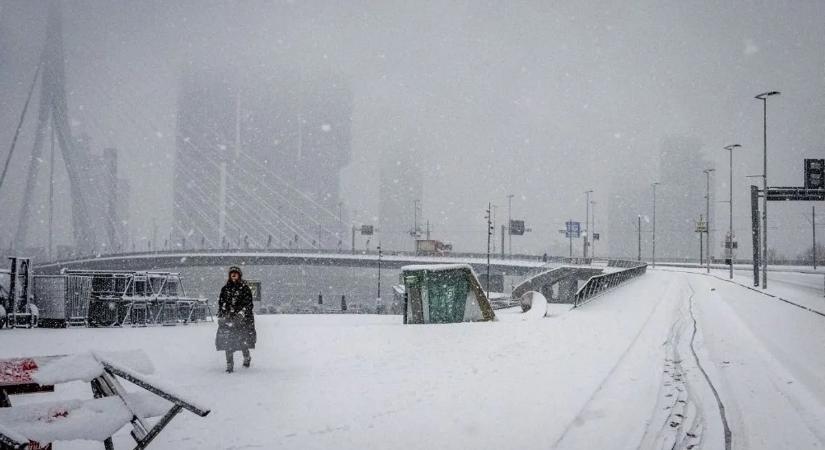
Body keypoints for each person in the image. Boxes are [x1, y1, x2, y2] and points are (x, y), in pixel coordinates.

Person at [215, 266, 256, 373]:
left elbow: (249, 304)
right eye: (231, 273)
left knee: (242, 342)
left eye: (235, 273)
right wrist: (223, 312)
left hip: (242, 321)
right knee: (227, 343)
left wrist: (242, 314)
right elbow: (221, 303)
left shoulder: (245, 288)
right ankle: (229, 365)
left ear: (239, 275)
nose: (233, 275)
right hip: (228, 320)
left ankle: (246, 357)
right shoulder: (225, 289)